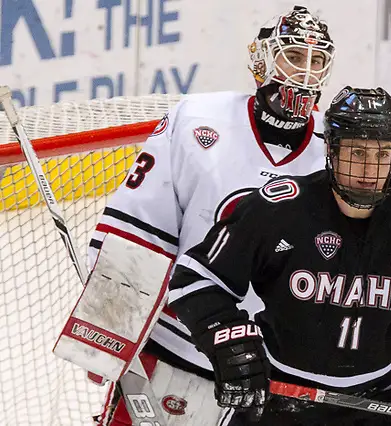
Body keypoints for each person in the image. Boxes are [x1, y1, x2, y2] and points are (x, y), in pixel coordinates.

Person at [168, 86, 391, 426]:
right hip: (283, 394)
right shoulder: (278, 210)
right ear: (331, 151)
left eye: (382, 155)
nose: (370, 171)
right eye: (357, 154)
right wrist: (229, 341)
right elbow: (196, 280)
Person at [89, 5, 336, 425]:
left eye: (317, 62)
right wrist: (109, 332)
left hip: (267, 371)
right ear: (261, 59)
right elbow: (136, 231)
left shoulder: (332, 152)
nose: (305, 73)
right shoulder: (198, 119)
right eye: (293, 57)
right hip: (172, 345)